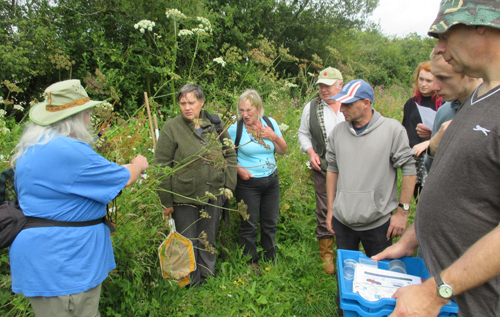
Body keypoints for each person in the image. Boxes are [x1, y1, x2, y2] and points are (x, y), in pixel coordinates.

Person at [373, 1, 500, 316]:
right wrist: (412, 238)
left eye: (444, 36)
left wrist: (436, 292)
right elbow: (458, 186)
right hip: (448, 295)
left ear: (480, 25)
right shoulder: (477, 97)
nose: (440, 49)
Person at [9, 79, 149, 316]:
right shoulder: (68, 150)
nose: (90, 118)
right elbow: (123, 179)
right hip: (65, 263)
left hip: (48, 259)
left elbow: (84, 178)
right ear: (77, 116)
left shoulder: (36, 146)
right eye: (88, 113)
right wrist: (137, 164)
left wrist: (119, 170)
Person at [154, 84, 237, 287]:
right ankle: (189, 284)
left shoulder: (216, 124)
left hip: (214, 194)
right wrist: (166, 201)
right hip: (184, 197)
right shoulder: (171, 128)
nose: (187, 107)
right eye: (182, 103)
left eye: (191, 102)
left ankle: (208, 280)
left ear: (202, 102)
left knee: (208, 240)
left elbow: (230, 154)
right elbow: (161, 166)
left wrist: (229, 187)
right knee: (187, 241)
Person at [228, 89, 287, 274]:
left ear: (259, 108)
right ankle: (249, 262)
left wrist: (273, 136)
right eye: (241, 110)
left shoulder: (271, 124)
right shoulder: (234, 129)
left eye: (248, 110)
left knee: (270, 222)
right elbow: (224, 155)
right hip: (248, 183)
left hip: (271, 180)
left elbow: (283, 150)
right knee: (249, 224)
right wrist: (238, 170)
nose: (244, 115)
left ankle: (270, 257)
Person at [297, 67, 344, 275]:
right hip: (323, 167)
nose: (324, 90)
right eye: (321, 86)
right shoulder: (311, 107)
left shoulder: (351, 104)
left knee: (351, 206)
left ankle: (348, 250)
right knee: (325, 207)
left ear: (340, 85)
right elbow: (303, 134)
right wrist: (310, 152)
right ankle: (326, 255)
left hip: (353, 168)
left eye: (328, 85)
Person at [423, 53, 481, 171]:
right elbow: (432, 172)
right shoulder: (444, 111)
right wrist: (432, 149)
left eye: (443, 78)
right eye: (434, 77)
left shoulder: (493, 111)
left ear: (472, 74)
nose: (434, 87)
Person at [401, 61, 442, 199]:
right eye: (421, 79)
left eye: (429, 80)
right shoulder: (411, 103)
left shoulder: (443, 103)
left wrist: (432, 136)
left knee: (430, 197)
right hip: (414, 157)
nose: (423, 84)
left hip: (432, 158)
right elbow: (404, 130)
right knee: (416, 196)